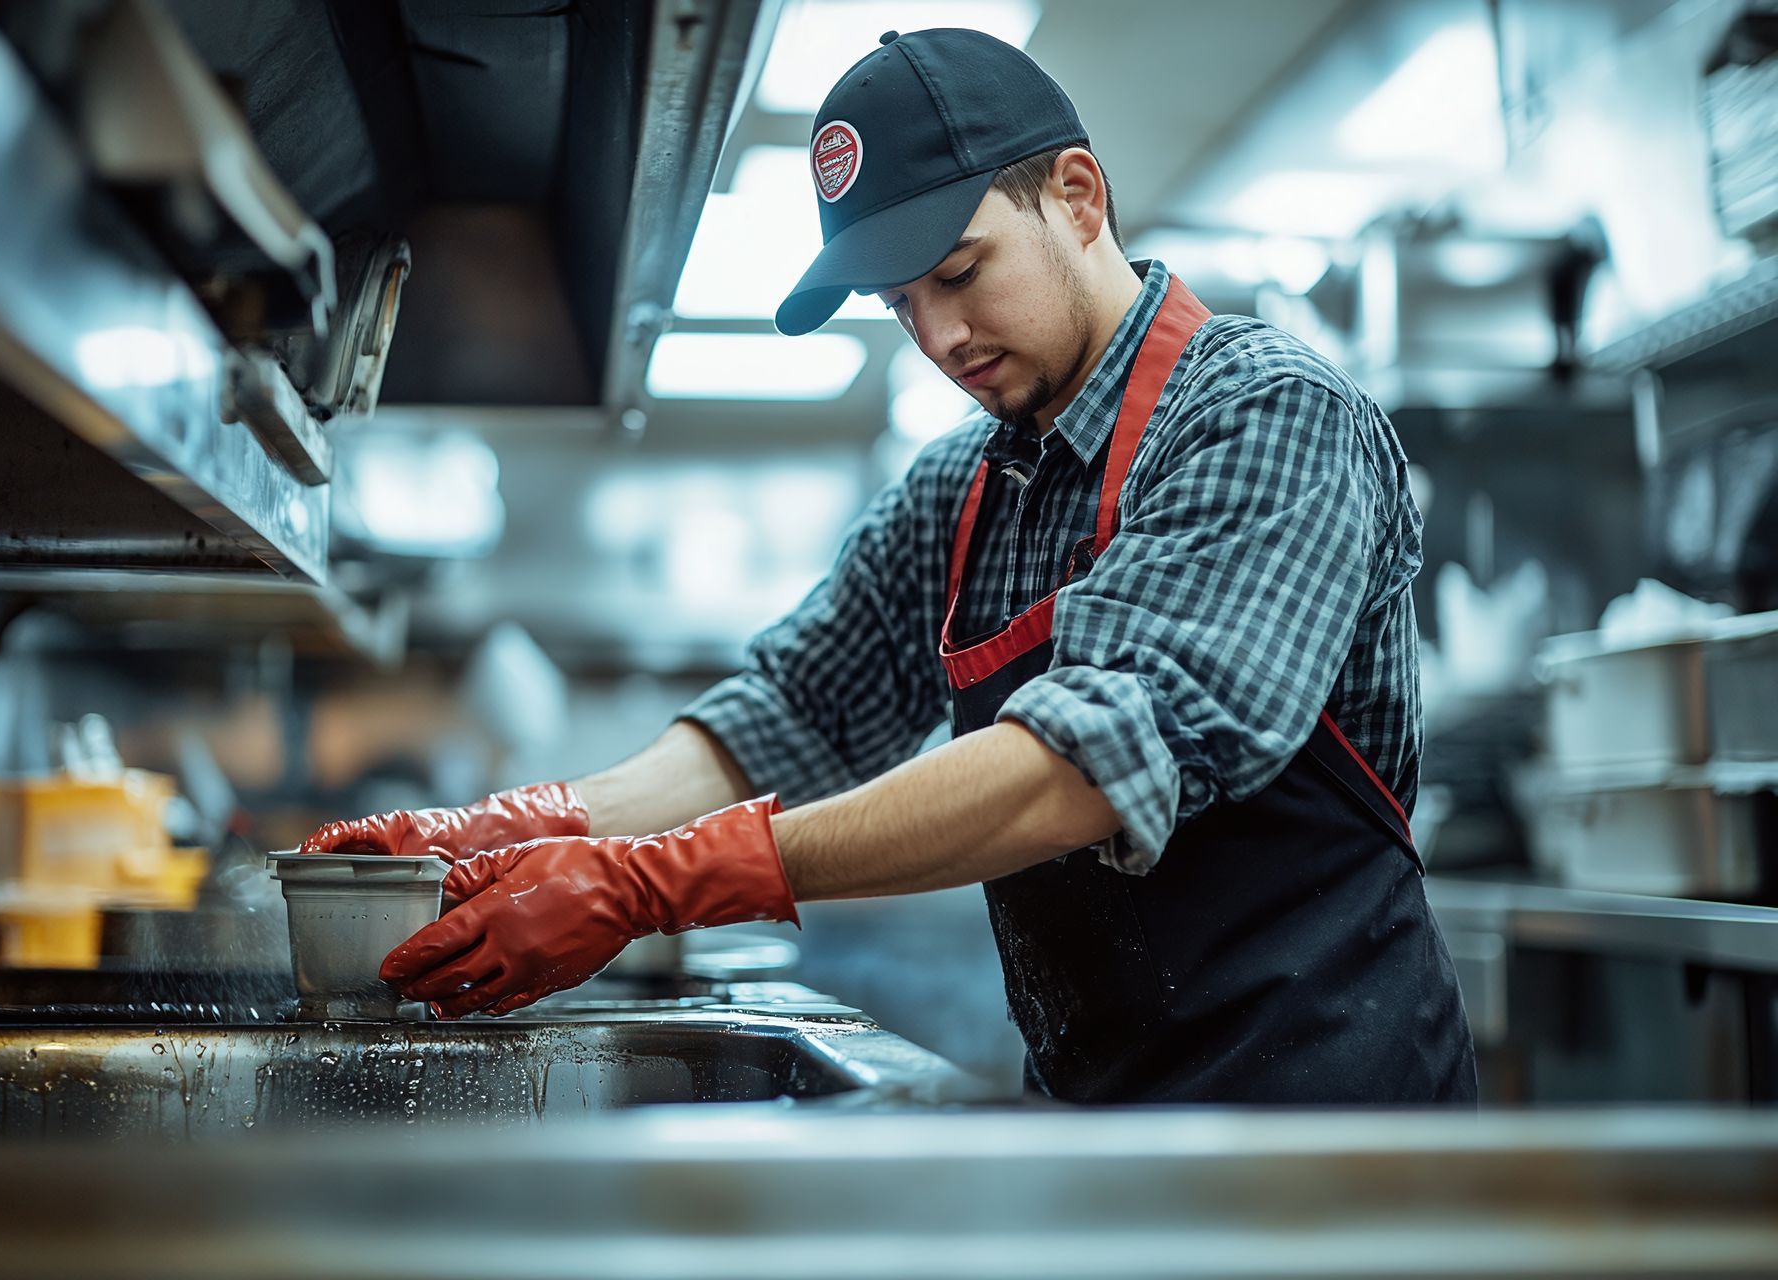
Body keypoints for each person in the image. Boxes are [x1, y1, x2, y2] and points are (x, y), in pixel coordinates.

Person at [301, 28, 1476, 1105]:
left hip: (1330, 1133)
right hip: (1109, 1122)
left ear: (1076, 195)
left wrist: (653, 882)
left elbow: (1080, 769)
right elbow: (788, 716)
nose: (940, 338)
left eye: (959, 273)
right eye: (900, 303)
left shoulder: (1266, 417)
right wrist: (525, 825)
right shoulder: (961, 488)